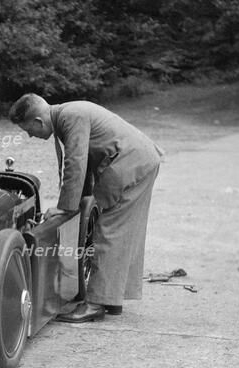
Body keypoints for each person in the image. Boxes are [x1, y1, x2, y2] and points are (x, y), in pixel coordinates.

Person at [9, 93, 163, 322]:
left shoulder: (70, 116)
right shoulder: (68, 113)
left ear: (38, 122)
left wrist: (65, 209)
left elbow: (76, 163)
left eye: (28, 130)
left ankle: (95, 304)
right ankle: (110, 299)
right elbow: (86, 165)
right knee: (122, 234)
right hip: (139, 159)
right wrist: (78, 204)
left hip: (130, 163)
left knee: (109, 232)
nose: (30, 135)